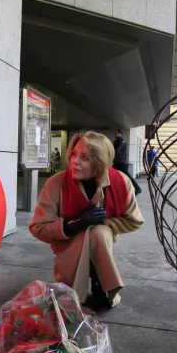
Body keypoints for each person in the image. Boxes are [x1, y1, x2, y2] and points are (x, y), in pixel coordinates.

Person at [30, 131, 144, 310]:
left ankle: (101, 287)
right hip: (68, 241)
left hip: (102, 239)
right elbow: (38, 227)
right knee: (86, 235)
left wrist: (101, 221)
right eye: (74, 154)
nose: (74, 161)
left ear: (99, 163)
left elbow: (134, 220)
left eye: (84, 158)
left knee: (96, 233)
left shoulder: (121, 182)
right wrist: (74, 224)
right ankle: (74, 289)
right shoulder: (55, 183)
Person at [112, 129, 142, 195]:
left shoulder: (122, 141)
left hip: (121, 162)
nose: (114, 134)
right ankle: (115, 189)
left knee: (126, 175)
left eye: (116, 132)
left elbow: (117, 150)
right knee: (112, 174)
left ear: (120, 133)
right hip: (118, 162)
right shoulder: (117, 141)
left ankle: (137, 188)